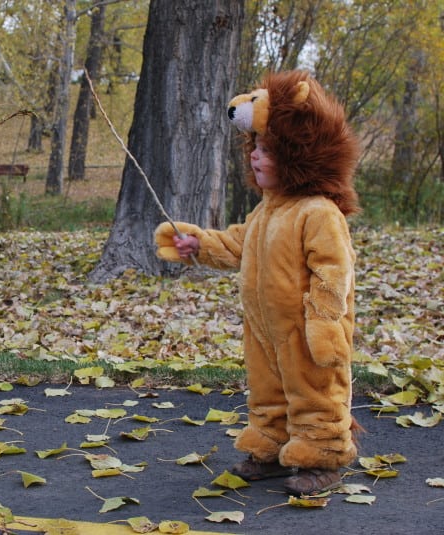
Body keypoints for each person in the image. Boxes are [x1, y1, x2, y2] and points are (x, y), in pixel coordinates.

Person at [154, 70, 361, 496]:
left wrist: (323, 324)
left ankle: (324, 451)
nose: (255, 156)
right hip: (263, 328)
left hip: (305, 330)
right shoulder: (268, 210)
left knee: (314, 390)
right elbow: (237, 245)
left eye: (268, 150)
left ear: (299, 153)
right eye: (255, 148)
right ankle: (272, 443)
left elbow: (334, 271)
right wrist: (198, 244)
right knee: (267, 390)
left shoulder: (318, 211)